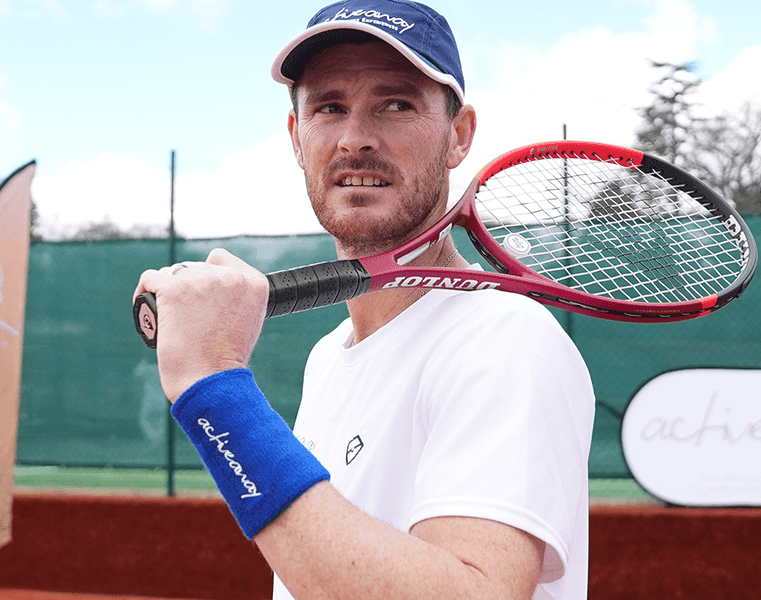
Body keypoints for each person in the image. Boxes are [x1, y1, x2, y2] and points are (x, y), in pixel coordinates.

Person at [132, 2, 596, 598]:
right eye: (330, 107)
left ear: (459, 136)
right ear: (298, 138)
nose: (356, 139)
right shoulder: (329, 357)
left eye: (396, 104)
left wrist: (215, 387)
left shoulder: (505, 339)